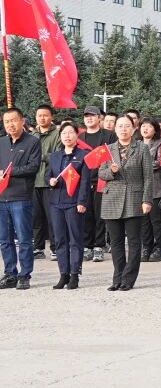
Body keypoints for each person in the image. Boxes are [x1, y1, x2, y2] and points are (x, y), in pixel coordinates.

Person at [97, 115, 154, 291]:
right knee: (116, 242)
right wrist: (111, 171)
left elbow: (148, 177)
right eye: (120, 126)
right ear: (115, 129)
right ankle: (117, 278)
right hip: (112, 198)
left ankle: (128, 279)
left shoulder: (142, 148)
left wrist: (147, 199)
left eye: (127, 126)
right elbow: (101, 173)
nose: (123, 129)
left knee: (134, 242)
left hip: (134, 197)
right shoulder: (108, 149)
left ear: (133, 129)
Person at [0, 107, 42, 290]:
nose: (10, 124)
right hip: (2, 197)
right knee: (4, 239)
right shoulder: (1, 143)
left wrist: (9, 172)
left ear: (22, 121)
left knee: (24, 238)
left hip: (21, 197)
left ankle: (25, 274)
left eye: (13, 120)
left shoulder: (32, 142)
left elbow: (33, 167)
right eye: (6, 121)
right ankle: (10, 273)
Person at [46, 121, 89, 289]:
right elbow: (48, 176)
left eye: (71, 132)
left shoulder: (82, 155)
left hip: (73, 202)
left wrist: (82, 201)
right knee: (59, 240)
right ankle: (63, 274)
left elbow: (85, 182)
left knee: (75, 239)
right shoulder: (55, 156)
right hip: (56, 202)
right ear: (60, 136)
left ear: (77, 135)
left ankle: (75, 274)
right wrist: (50, 181)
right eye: (64, 133)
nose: (67, 136)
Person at [79, 106, 115, 263]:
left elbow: (114, 155)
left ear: (100, 118)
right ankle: (87, 246)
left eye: (92, 115)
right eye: (86, 116)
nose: (89, 118)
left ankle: (99, 246)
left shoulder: (109, 135)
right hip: (84, 181)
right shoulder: (80, 137)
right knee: (85, 215)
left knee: (100, 216)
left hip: (102, 180)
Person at [138, 119, 161, 262]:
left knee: (156, 220)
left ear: (155, 129)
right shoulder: (136, 144)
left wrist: (140, 166)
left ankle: (159, 249)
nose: (145, 129)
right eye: (143, 126)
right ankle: (146, 247)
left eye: (149, 126)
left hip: (156, 186)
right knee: (144, 221)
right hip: (140, 187)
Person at [31, 105, 57, 261]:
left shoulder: (58, 134)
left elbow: (59, 155)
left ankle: (55, 248)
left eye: (45, 115)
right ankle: (38, 247)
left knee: (52, 218)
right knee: (36, 218)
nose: (42, 118)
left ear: (51, 116)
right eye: (39, 115)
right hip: (33, 182)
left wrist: (40, 157)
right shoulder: (32, 135)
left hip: (50, 182)